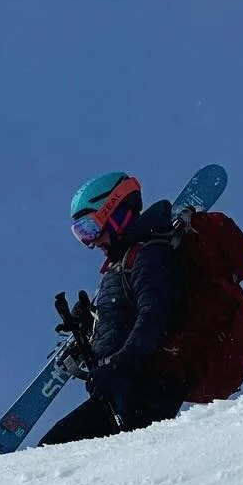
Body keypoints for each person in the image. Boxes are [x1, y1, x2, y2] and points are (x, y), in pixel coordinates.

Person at [40, 171, 187, 446]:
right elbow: (126, 321)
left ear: (115, 211)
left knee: (50, 455)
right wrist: (91, 325)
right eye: (81, 234)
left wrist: (119, 365)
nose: (91, 242)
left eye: (90, 228)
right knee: (55, 455)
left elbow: (155, 317)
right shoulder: (121, 266)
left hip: (147, 389)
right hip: (126, 391)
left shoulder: (150, 255)